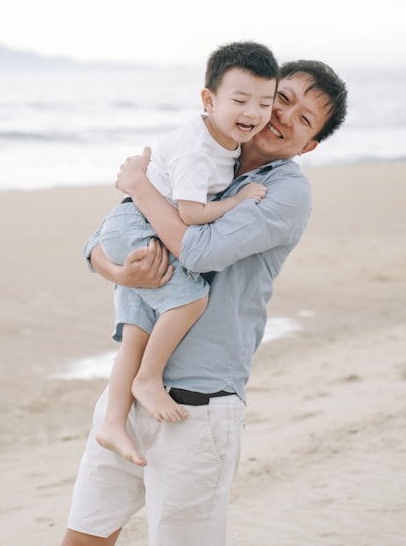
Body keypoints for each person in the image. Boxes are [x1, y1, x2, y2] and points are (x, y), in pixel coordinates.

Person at [62, 59, 349, 546]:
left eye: (304, 119)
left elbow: (197, 249)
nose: (282, 117)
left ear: (309, 145)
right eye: (281, 98)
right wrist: (118, 269)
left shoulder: (286, 192)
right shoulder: (204, 153)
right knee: (84, 539)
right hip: (126, 396)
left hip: (197, 410)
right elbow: (104, 236)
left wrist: (139, 185)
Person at [94, 42, 279, 468]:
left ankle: (112, 422)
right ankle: (148, 379)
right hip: (137, 226)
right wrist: (240, 200)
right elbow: (191, 213)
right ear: (208, 99)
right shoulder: (199, 150)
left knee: (138, 329)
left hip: (136, 221)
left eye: (264, 103)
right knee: (191, 298)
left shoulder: (222, 137)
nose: (253, 113)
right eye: (240, 100)